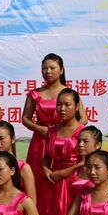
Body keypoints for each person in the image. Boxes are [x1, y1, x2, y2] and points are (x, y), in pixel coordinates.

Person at [22, 54, 83, 206]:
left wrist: (65, 131)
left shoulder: (69, 94)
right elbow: (25, 118)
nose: (48, 71)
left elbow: (83, 119)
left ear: (61, 70)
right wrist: (40, 129)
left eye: (52, 68)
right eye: (44, 68)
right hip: (40, 142)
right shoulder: (35, 94)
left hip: (64, 142)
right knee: (38, 180)